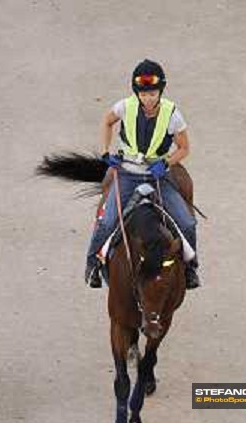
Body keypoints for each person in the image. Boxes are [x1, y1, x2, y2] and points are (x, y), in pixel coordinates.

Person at [85, 59, 200, 289]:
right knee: (106, 223)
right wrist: (106, 152)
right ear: (136, 93)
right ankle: (92, 265)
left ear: (161, 91)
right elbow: (107, 122)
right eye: (143, 93)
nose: (148, 98)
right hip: (128, 173)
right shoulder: (124, 107)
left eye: (153, 93)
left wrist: (166, 163)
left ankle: (190, 268)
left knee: (187, 222)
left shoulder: (173, 114)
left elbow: (184, 148)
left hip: (158, 176)